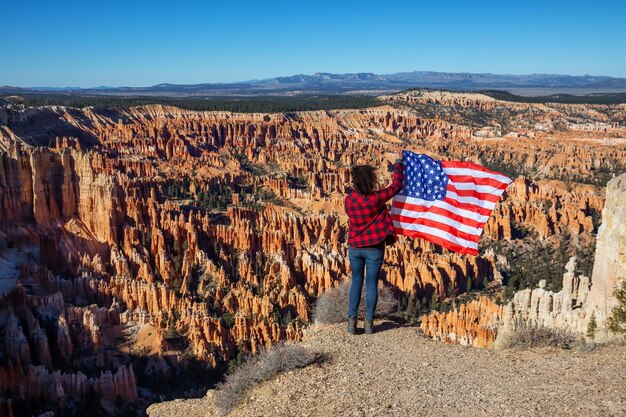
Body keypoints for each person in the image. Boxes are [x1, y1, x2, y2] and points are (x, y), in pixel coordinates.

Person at [344, 151, 404, 334]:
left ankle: (352, 323)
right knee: (371, 284)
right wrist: (398, 163)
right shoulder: (376, 199)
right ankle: (369, 323)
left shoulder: (349, 201)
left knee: (356, 282)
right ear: (370, 180)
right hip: (374, 248)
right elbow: (397, 185)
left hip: (355, 247)